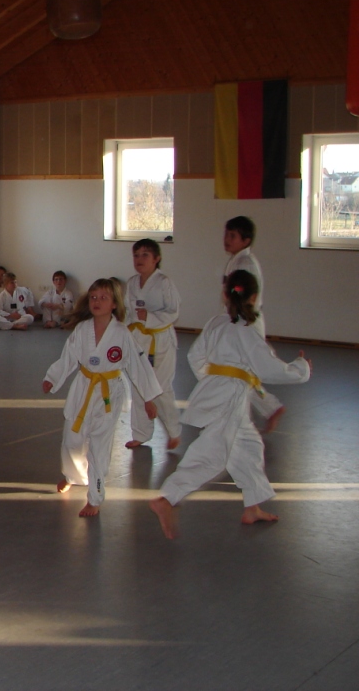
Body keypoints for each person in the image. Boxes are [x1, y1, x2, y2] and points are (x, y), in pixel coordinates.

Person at [150, 270, 312, 539]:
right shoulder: (247, 330)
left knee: (248, 447)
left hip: (219, 390)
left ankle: (252, 507)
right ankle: (167, 498)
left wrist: (213, 378)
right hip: (229, 397)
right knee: (212, 456)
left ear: (225, 295)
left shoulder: (216, 323)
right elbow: (268, 368)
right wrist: (301, 368)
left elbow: (195, 356)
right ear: (255, 297)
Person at [43, 278, 162, 518]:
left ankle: (95, 497)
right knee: (72, 440)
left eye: (104, 298)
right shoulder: (82, 330)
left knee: (99, 445)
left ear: (115, 304)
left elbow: (138, 366)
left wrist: (149, 398)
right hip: (83, 387)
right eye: (94, 297)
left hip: (109, 392)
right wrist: (53, 378)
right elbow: (68, 357)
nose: (97, 302)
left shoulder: (122, 333)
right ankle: (74, 476)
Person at [223, 216, 284, 433]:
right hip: (239, 320)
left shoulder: (246, 263)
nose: (227, 239)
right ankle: (269, 408)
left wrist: (236, 317)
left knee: (242, 371)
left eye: (232, 236)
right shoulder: (236, 261)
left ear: (246, 240)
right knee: (241, 371)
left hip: (246, 320)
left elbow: (243, 294)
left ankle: (262, 411)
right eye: (226, 234)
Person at [124, 240, 181, 449]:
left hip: (160, 340)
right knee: (139, 385)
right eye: (136, 255)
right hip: (139, 339)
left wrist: (149, 316)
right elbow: (127, 312)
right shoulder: (132, 283)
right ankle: (141, 433)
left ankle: (174, 431)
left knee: (160, 388)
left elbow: (173, 312)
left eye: (145, 255)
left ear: (157, 259)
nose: (139, 259)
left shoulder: (164, 282)